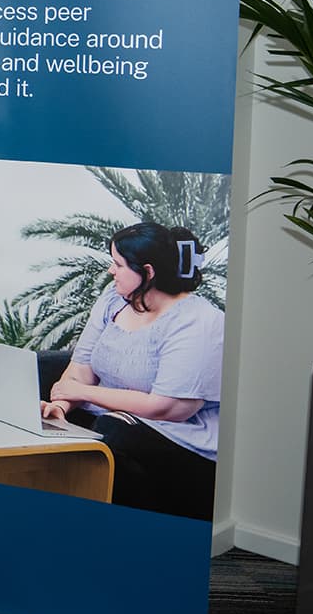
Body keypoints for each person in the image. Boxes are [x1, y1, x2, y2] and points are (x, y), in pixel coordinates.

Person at [41, 221, 223, 520]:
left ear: (148, 272)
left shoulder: (199, 322)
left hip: (176, 432)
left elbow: (167, 407)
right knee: (43, 374)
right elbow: (81, 366)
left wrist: (82, 393)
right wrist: (60, 404)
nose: (111, 271)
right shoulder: (113, 301)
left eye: (118, 264)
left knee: (115, 430)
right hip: (109, 413)